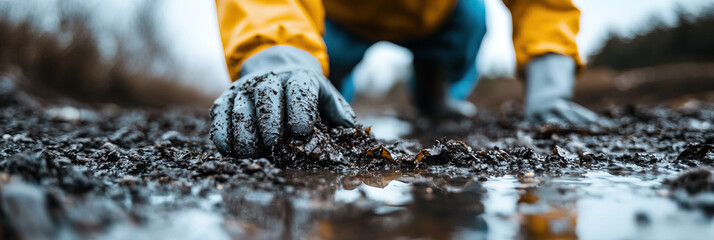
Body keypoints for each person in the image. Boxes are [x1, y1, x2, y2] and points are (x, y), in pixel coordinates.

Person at [210, 0, 600, 157]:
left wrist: (549, 85)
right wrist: (279, 51)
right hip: (338, 18)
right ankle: (327, 92)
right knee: (312, 99)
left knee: (470, 18)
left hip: (436, 16)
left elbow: (541, 4)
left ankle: (435, 93)